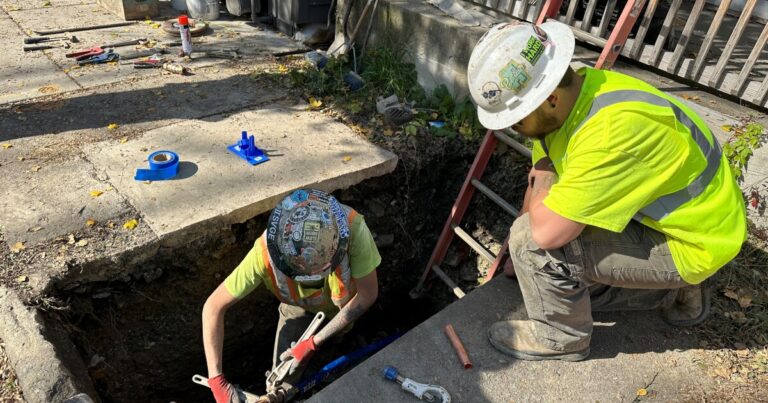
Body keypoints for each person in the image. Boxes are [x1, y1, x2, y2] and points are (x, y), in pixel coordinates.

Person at [467, 21, 746, 361]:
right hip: (686, 218)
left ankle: (562, 338)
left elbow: (545, 234)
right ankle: (672, 289)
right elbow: (540, 173)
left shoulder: (609, 135)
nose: (515, 128)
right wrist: (522, 263)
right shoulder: (579, 95)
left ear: (550, 98)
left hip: (694, 242)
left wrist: (526, 252)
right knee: (537, 263)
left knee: (531, 243)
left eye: (518, 120)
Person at [202, 189, 381, 402]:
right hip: (298, 310)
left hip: (343, 309)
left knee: (334, 342)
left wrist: (315, 342)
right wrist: (216, 380)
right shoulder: (263, 255)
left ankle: (330, 355)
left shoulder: (353, 230)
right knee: (281, 378)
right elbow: (213, 308)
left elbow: (367, 294)